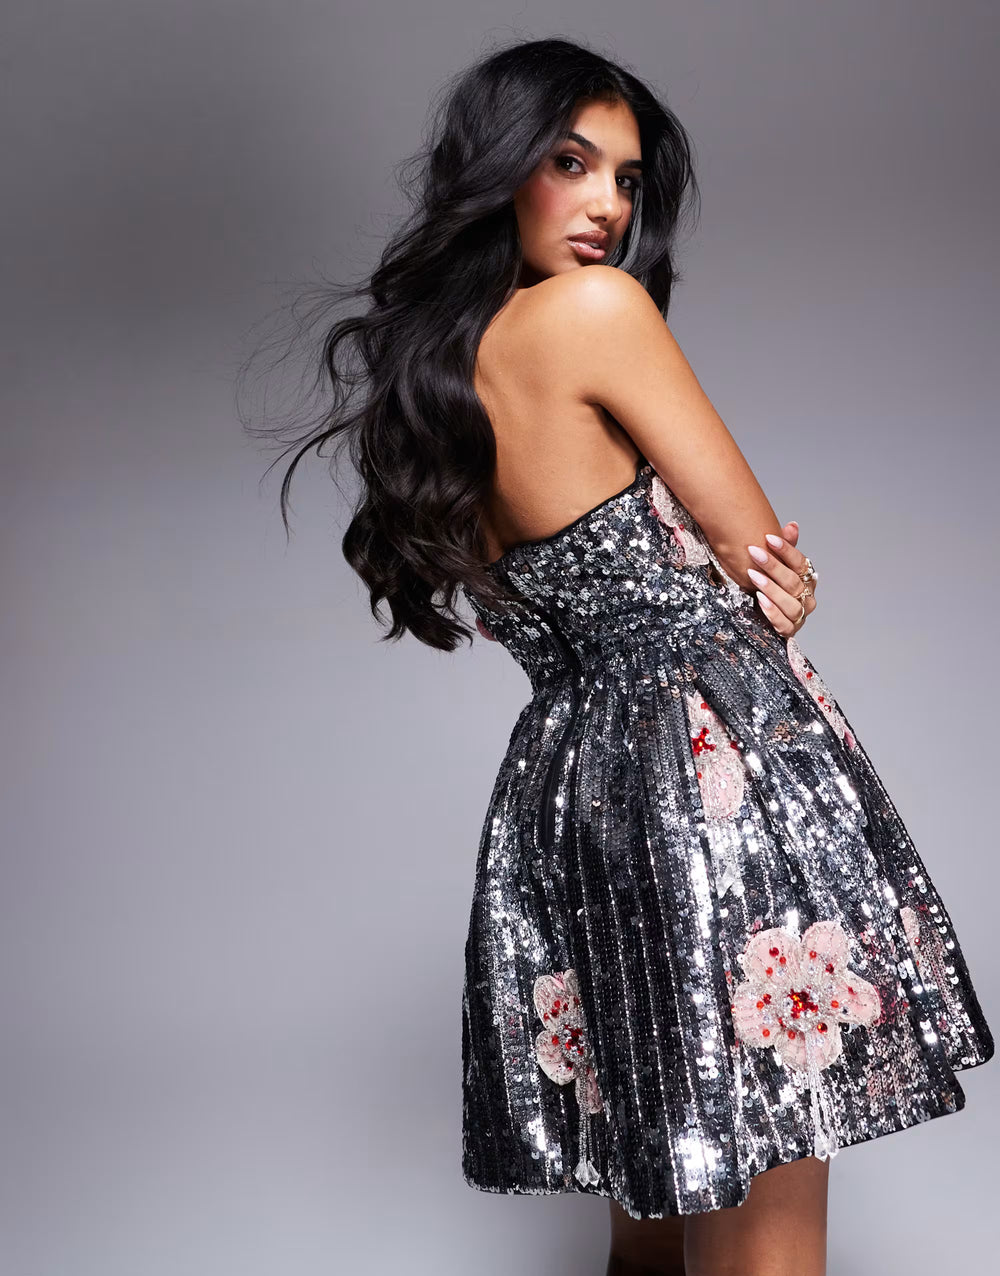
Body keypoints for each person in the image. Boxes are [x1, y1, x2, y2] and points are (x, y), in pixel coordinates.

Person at [242, 36, 994, 1276]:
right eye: (570, 162)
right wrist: (779, 581)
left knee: (651, 1195)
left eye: (626, 179)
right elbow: (760, 559)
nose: (605, 205)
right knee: (769, 1195)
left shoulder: (432, 383)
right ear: (498, 170)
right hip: (710, 770)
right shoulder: (596, 313)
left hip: (566, 796)